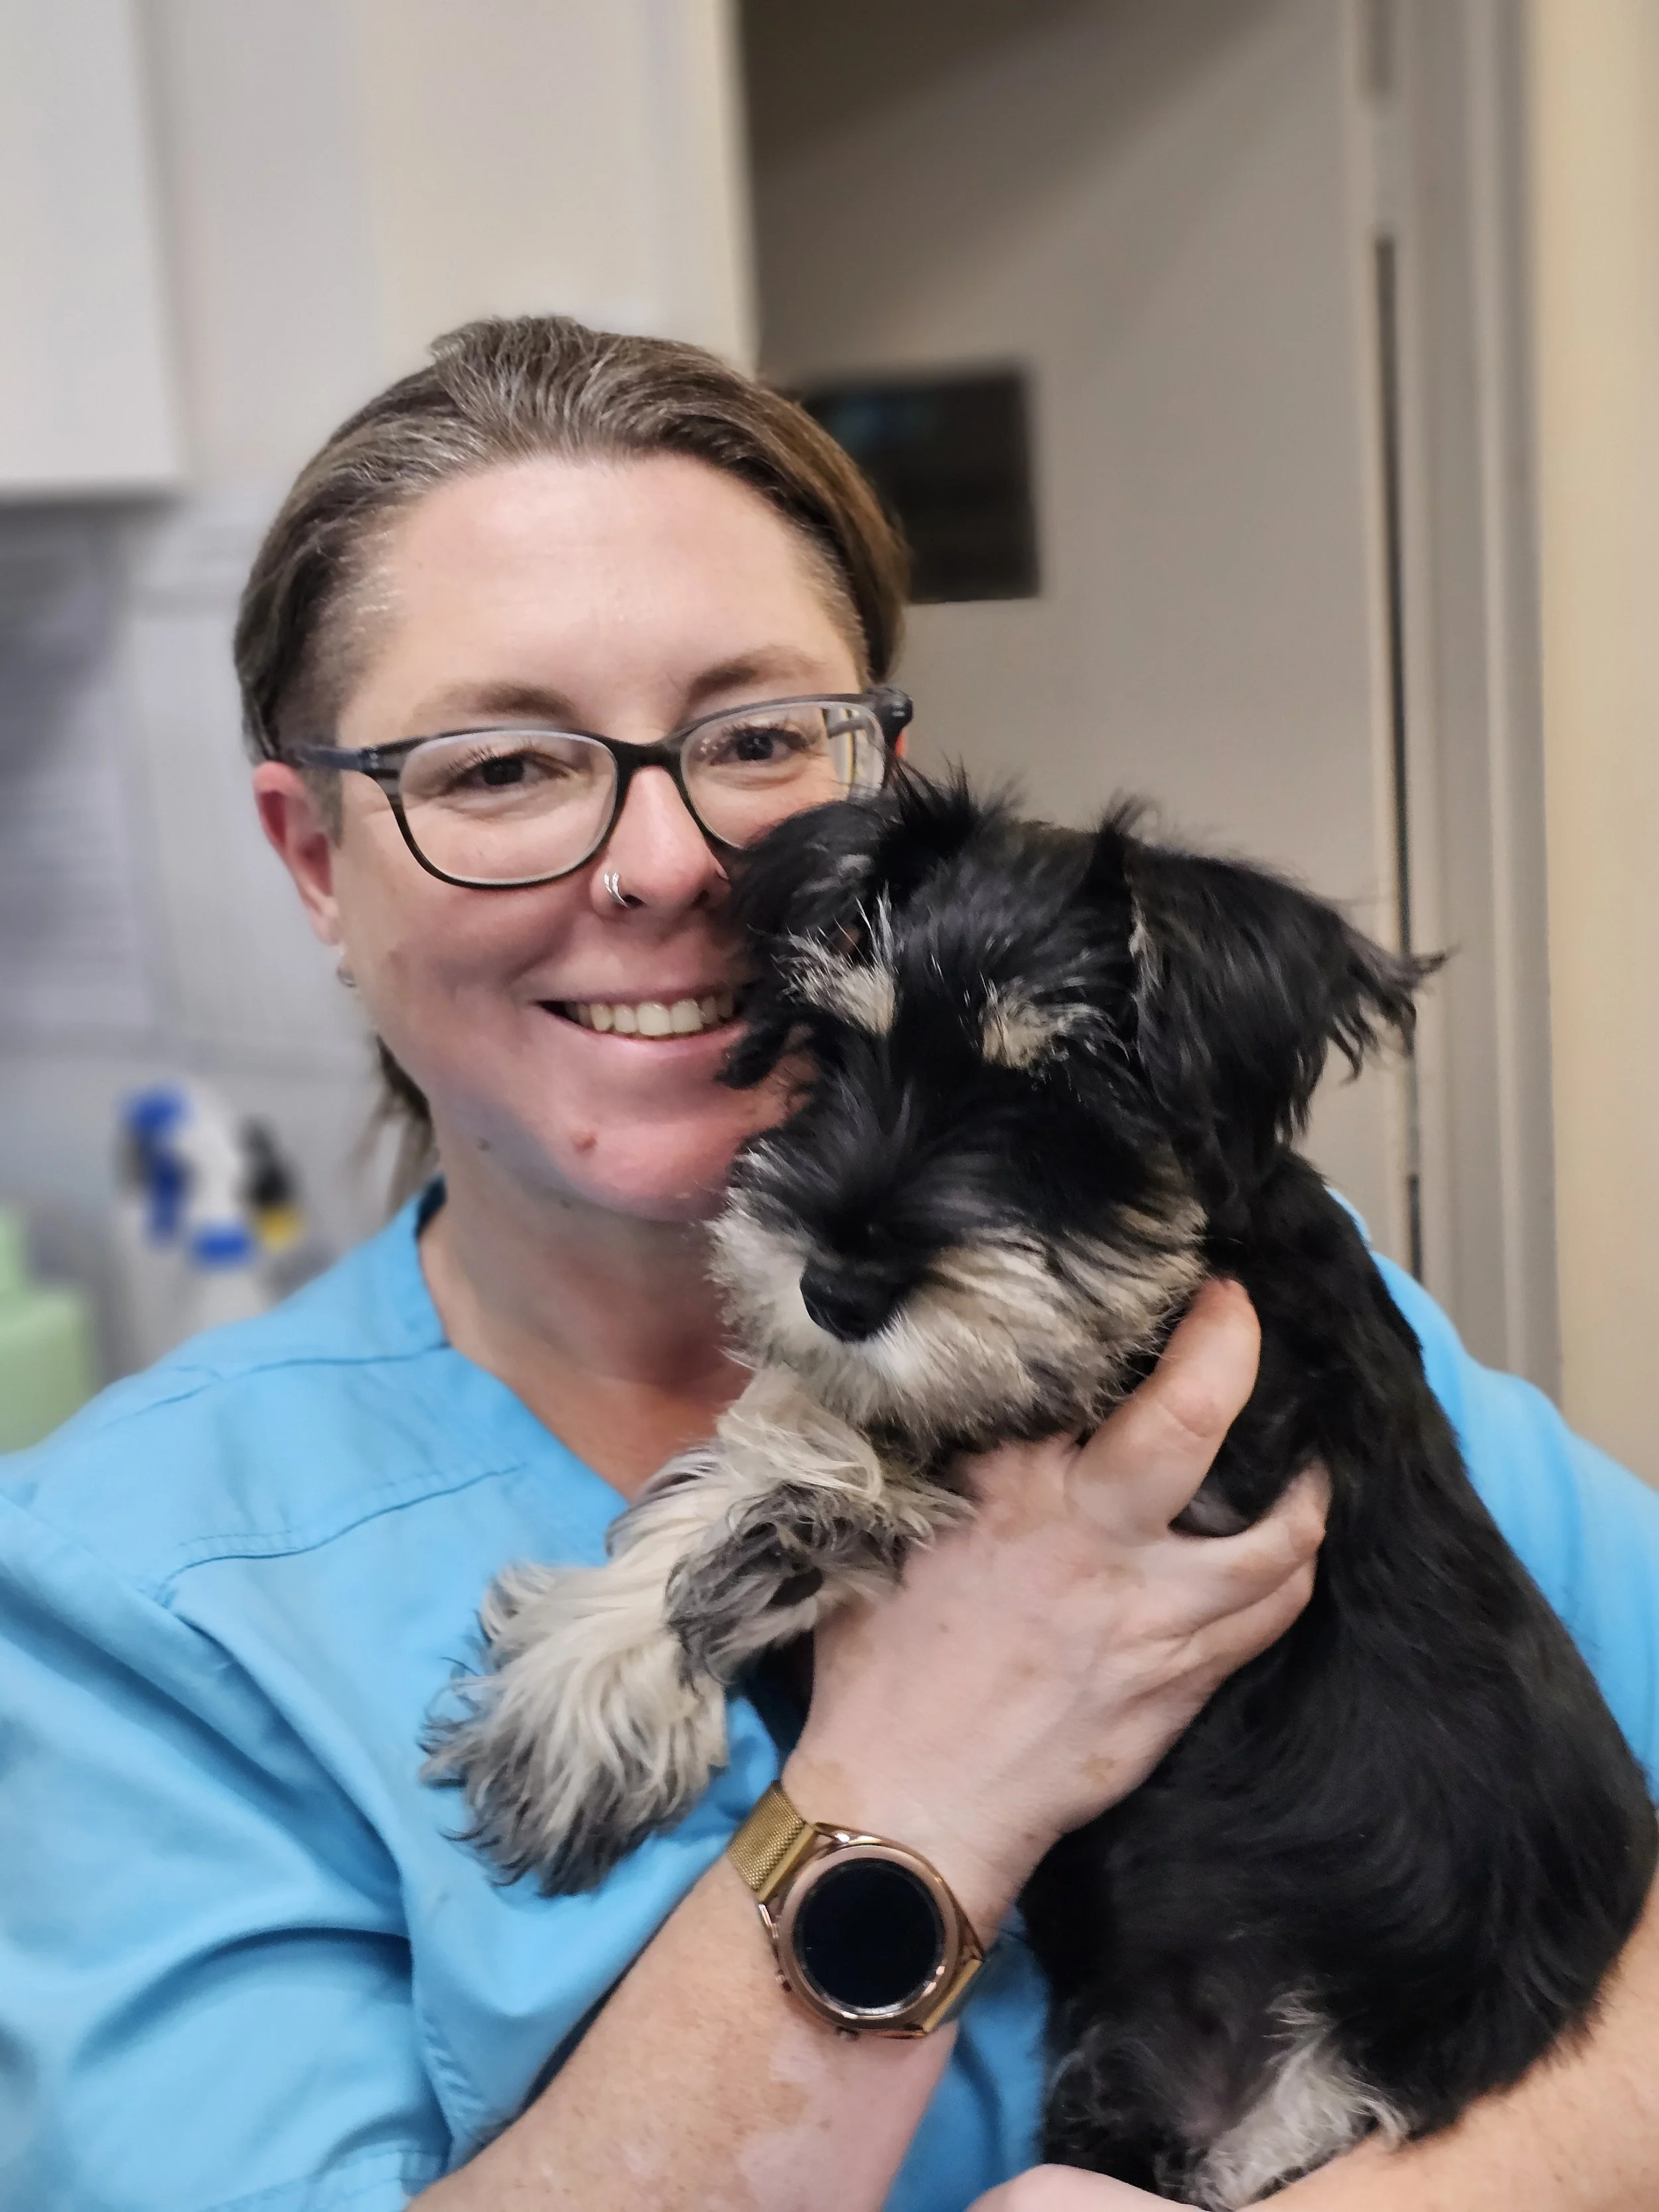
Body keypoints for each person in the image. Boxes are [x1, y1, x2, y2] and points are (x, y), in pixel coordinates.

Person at [1, 317, 1656, 2212]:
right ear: (315, 857)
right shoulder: (124, 1601)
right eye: (499, 766)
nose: (664, 862)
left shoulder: (1260, 1323)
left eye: (760, 738)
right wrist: (911, 1791)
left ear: (884, 786)